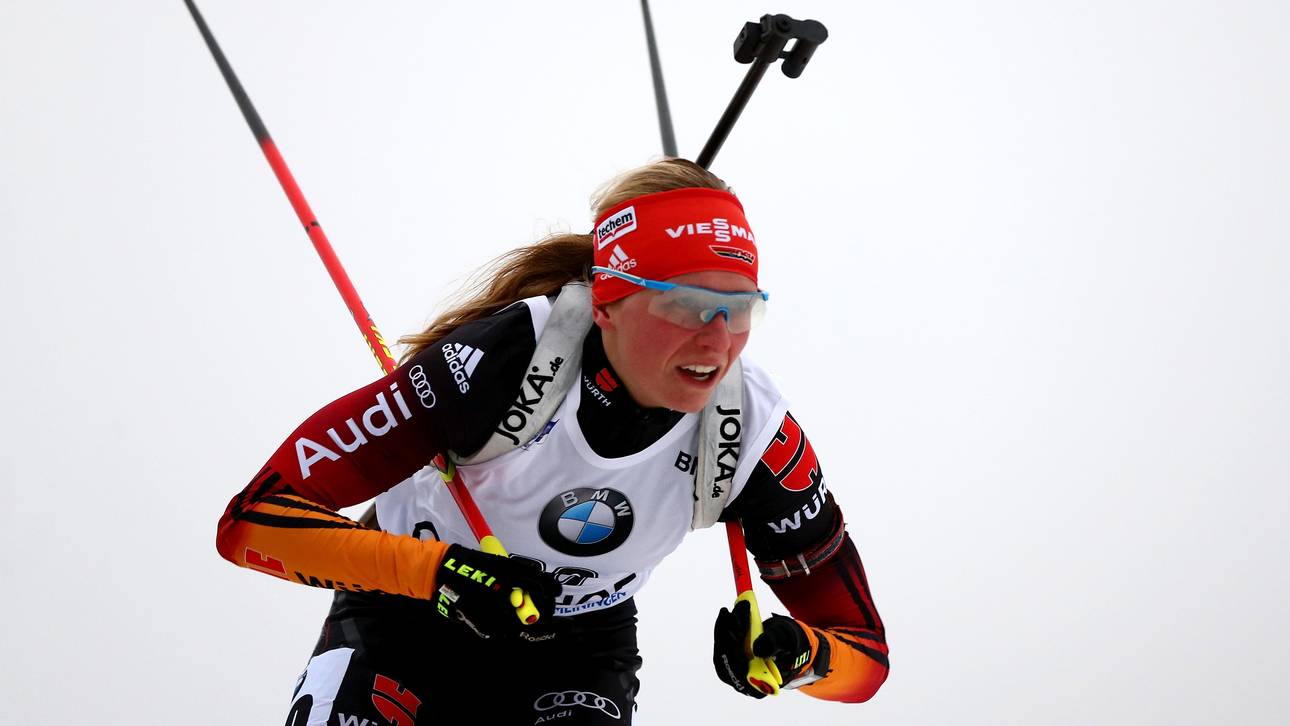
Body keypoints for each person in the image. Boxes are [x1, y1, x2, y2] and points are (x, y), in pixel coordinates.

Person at [217, 158, 889, 725]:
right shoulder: (503, 361)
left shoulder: (754, 432)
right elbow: (252, 523)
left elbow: (865, 658)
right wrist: (443, 574)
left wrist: (802, 658)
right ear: (607, 303)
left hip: (577, 653)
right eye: (685, 304)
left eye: (739, 308)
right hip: (404, 617)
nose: (717, 342)